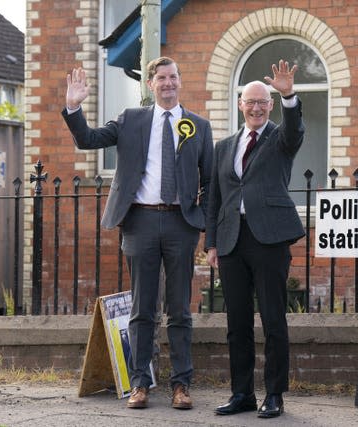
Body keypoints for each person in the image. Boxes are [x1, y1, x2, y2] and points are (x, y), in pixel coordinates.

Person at [62, 56, 213, 410]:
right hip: (140, 222)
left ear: (180, 80)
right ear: (151, 84)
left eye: (173, 77)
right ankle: (140, 383)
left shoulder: (198, 126)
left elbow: (210, 180)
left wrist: (201, 219)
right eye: (161, 78)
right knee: (142, 309)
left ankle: (181, 385)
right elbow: (88, 139)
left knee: (179, 310)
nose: (168, 83)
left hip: (181, 224)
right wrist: (73, 106)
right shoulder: (131, 119)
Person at [205, 59, 305, 419]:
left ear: (271, 105)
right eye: (251, 101)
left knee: (274, 320)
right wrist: (212, 243)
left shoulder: (281, 139)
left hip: (270, 239)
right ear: (240, 105)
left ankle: (274, 394)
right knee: (238, 323)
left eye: (264, 102)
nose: (257, 107)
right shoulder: (224, 146)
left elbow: (295, 129)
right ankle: (242, 393)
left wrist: (289, 94)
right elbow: (215, 197)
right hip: (232, 241)